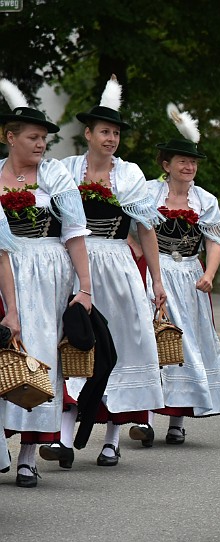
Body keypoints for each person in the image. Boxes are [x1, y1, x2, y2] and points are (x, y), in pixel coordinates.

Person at [50, 77, 167, 468]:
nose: (111, 138)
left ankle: (112, 438)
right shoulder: (66, 169)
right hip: (75, 263)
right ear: (88, 133)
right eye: (104, 131)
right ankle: (64, 439)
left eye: (116, 132)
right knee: (73, 344)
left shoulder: (130, 175)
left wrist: (157, 280)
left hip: (116, 264)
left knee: (121, 345)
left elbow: (145, 230)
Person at [128, 104, 220, 448]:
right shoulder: (147, 193)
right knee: (150, 340)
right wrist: (136, 248)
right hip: (155, 271)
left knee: (185, 344)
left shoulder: (205, 199)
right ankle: (144, 418)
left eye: (192, 162)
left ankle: (177, 421)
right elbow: (124, 225)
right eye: (182, 161)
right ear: (166, 165)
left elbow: (215, 241)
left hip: (190, 276)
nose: (189, 167)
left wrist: (209, 273)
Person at [0, 79, 90, 488]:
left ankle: (28, 455)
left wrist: (85, 289)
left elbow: (74, 233)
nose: (41, 145)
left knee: (37, 358)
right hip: (5, 267)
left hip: (46, 273)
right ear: (10, 137)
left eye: (44, 139)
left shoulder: (55, 177)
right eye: (34, 138)